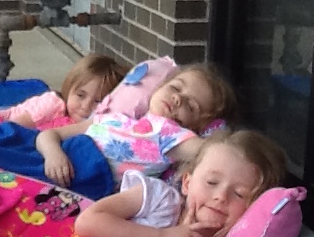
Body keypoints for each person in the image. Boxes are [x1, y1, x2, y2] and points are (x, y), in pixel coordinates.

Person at [74, 129, 287, 237]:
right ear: (187, 183)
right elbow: (88, 222)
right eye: (212, 182)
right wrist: (163, 236)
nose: (221, 196)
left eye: (239, 194)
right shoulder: (159, 199)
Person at [36, 62, 238, 188]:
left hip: (78, 183)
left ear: (195, 127)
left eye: (191, 106)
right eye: (175, 88)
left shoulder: (170, 135)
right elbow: (48, 135)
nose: (178, 98)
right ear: (158, 88)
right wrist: (54, 155)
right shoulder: (114, 118)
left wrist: (220, 132)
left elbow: (217, 150)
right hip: (52, 162)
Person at [0, 54, 127, 130]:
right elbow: (10, 129)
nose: (86, 106)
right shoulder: (52, 105)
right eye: (80, 95)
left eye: (98, 101)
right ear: (69, 87)